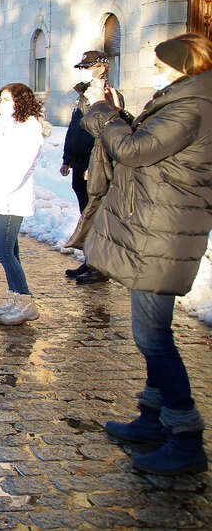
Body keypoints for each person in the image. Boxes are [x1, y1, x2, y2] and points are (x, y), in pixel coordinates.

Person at [83, 33, 212, 476]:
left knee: (152, 338)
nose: (154, 70)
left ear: (183, 65)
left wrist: (103, 114)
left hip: (165, 232)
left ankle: (186, 437)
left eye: (160, 64)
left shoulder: (191, 105)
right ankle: (153, 418)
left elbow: (134, 151)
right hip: (158, 225)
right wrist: (115, 114)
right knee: (154, 334)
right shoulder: (184, 99)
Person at [0, 83, 45, 325]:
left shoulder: (28, 130)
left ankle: (26, 302)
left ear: (21, 101)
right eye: (1, 99)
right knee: (11, 251)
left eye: (8, 99)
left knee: (3, 251)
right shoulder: (5, 127)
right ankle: (15, 298)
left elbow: (16, 172)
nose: (3, 104)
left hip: (12, 200)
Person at [62, 50, 108, 283]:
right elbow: (75, 129)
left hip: (95, 164)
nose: (84, 71)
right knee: (85, 213)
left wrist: (96, 164)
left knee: (95, 215)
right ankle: (90, 260)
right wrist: (67, 159)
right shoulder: (83, 95)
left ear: (101, 67)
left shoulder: (107, 95)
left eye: (88, 67)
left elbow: (107, 132)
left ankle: (99, 266)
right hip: (79, 162)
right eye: (82, 68)